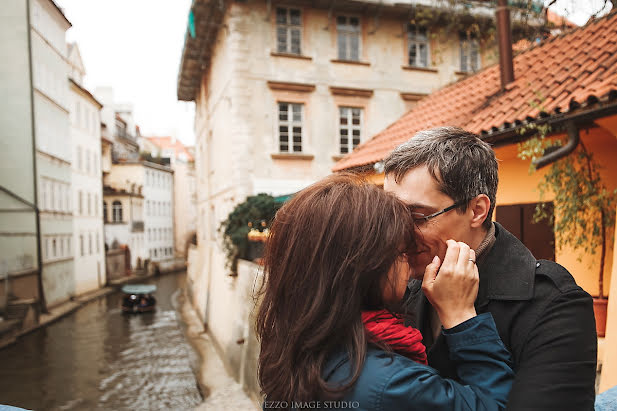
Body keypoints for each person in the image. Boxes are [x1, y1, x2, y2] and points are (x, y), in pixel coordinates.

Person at [256, 173, 514, 410]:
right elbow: (493, 405)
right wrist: (461, 318)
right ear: (362, 268)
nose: (410, 260)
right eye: (400, 253)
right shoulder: (392, 386)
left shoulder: (300, 351)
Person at [383, 126, 597, 410]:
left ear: (476, 211)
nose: (398, 233)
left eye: (418, 217)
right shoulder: (399, 282)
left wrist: (461, 320)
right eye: (390, 215)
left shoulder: (555, 303)